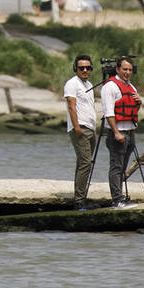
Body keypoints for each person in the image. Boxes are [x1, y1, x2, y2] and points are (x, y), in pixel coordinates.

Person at [100, 57, 142, 209]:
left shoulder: (132, 87)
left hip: (130, 131)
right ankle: (117, 200)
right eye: (125, 69)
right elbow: (109, 112)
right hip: (117, 132)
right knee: (116, 166)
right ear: (117, 69)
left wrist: (139, 103)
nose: (127, 72)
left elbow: (133, 111)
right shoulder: (110, 87)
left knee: (123, 167)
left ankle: (121, 197)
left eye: (130, 70)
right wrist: (116, 132)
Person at [64, 55, 97, 211]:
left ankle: (81, 196)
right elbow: (72, 105)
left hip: (90, 127)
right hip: (80, 128)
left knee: (83, 163)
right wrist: (76, 127)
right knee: (86, 163)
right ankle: (79, 201)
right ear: (75, 68)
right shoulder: (72, 84)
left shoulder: (89, 84)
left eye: (88, 68)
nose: (85, 70)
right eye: (81, 68)